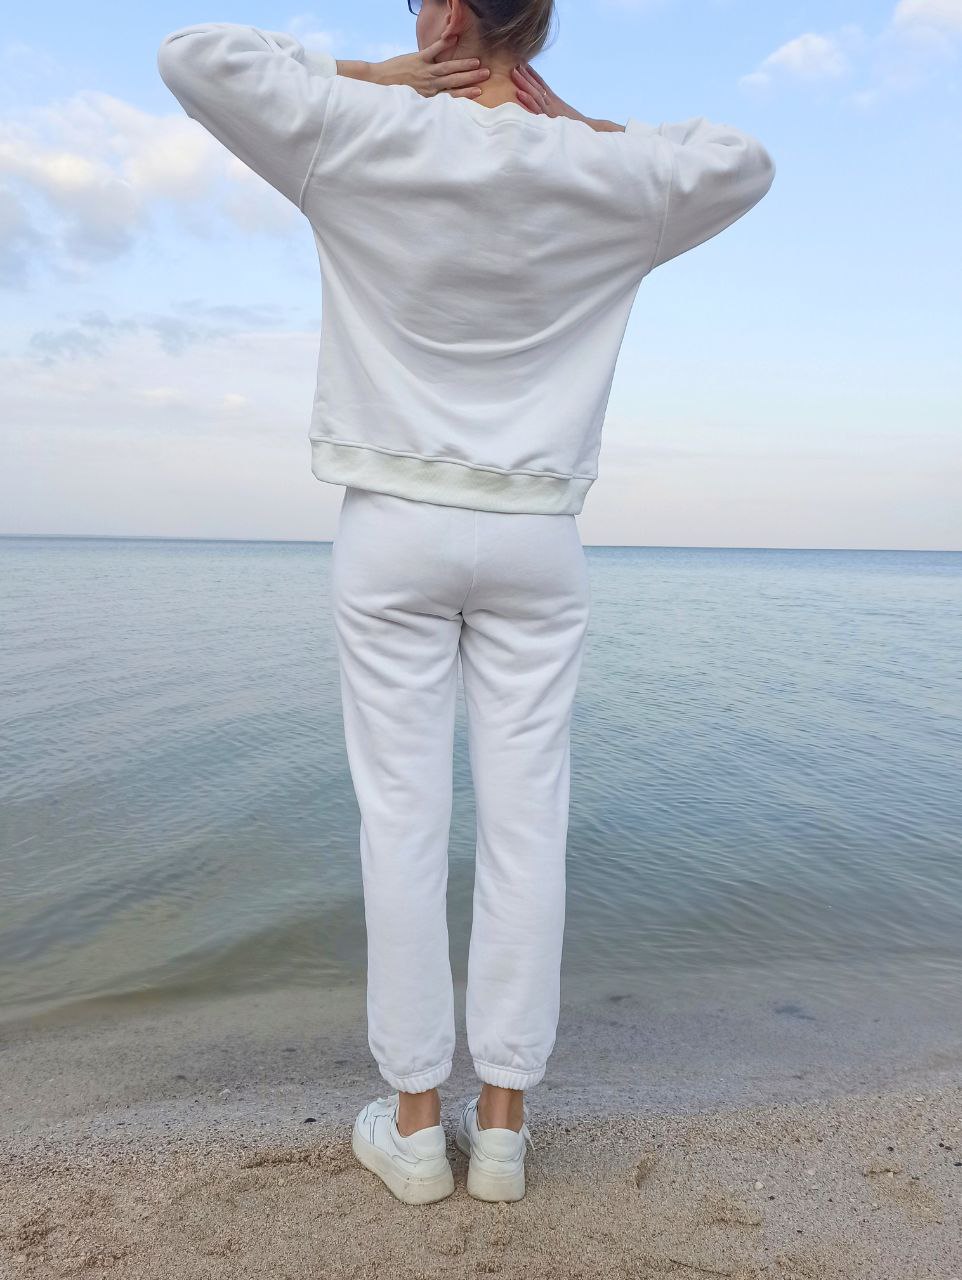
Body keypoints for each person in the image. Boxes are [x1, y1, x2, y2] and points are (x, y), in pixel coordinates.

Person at [157, 0, 775, 1206]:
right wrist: (577, 120)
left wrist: (374, 71)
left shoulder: (355, 126)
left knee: (399, 823)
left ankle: (411, 1124)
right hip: (535, 535)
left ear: (443, 13)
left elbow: (194, 55)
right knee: (525, 828)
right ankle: (501, 1132)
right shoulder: (609, 173)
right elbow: (740, 160)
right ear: (533, 25)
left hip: (392, 526)